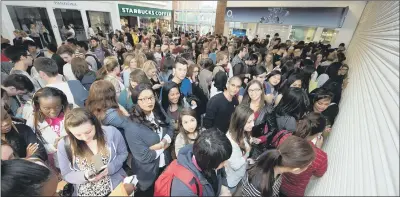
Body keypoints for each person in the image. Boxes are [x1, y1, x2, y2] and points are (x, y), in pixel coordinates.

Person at [57, 108, 128, 196]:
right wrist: (85, 176)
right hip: (85, 192)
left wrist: (110, 168)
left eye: (88, 132)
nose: (85, 138)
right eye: (77, 135)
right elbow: (67, 174)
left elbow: (123, 153)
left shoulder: (111, 132)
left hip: (115, 188)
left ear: (95, 124)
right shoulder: (64, 145)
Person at [124, 83, 174, 197]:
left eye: (151, 97)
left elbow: (169, 126)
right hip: (148, 173)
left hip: (165, 164)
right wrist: (164, 147)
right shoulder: (132, 126)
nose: (149, 102)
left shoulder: (157, 109)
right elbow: (144, 156)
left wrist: (162, 143)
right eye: (144, 99)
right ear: (136, 101)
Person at [272, 112, 328, 197]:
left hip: (276, 182)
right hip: (294, 192)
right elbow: (319, 174)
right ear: (318, 133)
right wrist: (318, 149)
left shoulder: (284, 138)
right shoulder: (320, 157)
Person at [164, 127, 232, 196]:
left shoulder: (209, 154)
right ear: (207, 164)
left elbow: (221, 172)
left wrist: (223, 186)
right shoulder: (184, 190)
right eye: (222, 162)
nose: (226, 164)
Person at [241, 135, 315, 197]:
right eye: (308, 165)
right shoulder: (258, 188)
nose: (308, 167)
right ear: (296, 170)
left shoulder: (273, 161)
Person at [24, 87, 69, 171]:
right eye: (47, 108)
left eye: (57, 106)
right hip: (52, 163)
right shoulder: (33, 120)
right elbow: (33, 147)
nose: (53, 111)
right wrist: (53, 147)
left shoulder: (68, 114)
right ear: (38, 106)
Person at [225, 105, 255, 193]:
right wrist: (247, 152)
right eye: (249, 122)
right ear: (240, 122)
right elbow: (236, 165)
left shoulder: (243, 132)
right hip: (232, 180)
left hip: (240, 175)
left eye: (253, 120)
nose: (253, 124)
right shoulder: (231, 141)